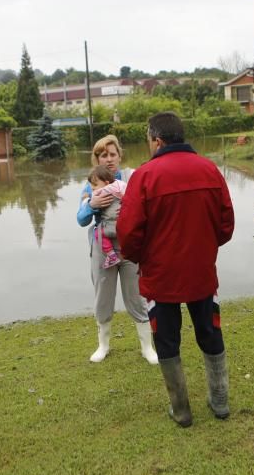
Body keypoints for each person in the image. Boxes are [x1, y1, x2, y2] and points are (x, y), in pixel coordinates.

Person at [117, 112, 234, 427]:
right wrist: (204, 248)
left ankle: (181, 409)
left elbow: (128, 234)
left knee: (167, 340)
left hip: (160, 277)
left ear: (156, 140)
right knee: (209, 331)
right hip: (202, 274)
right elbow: (226, 225)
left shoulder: (144, 176)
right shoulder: (210, 170)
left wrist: (141, 258)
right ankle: (219, 401)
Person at [76, 134, 158, 365]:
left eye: (113, 154)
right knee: (103, 296)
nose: (109, 159)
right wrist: (91, 206)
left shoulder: (132, 178)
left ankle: (147, 348)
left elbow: (148, 210)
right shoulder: (90, 185)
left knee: (137, 296)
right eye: (104, 155)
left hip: (130, 248)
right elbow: (81, 220)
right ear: (96, 159)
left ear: (120, 156)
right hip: (102, 250)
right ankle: (103, 345)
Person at [88, 164, 126, 269]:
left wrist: (90, 201)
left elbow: (92, 198)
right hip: (124, 227)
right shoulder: (121, 185)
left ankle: (111, 255)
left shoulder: (102, 192)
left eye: (95, 185)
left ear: (106, 183)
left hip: (110, 228)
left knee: (97, 233)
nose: (93, 189)